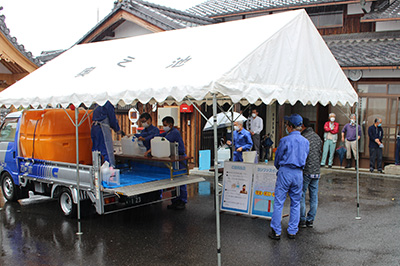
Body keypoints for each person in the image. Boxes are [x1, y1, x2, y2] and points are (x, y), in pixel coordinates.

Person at [269, 114, 309, 240]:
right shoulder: (305, 141)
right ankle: (292, 231)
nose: (286, 127)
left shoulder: (285, 140)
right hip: (298, 173)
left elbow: (278, 158)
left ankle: (276, 231)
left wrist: (279, 167)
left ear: (290, 127)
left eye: (287, 125)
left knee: (279, 202)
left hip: (285, 171)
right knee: (296, 202)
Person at [146, 116, 187, 210]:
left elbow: (163, 141)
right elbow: (160, 136)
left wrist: (150, 150)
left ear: (170, 124)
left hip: (179, 158)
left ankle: (182, 200)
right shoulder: (169, 132)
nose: (164, 127)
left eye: (165, 125)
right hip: (173, 157)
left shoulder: (174, 133)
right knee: (174, 179)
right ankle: (175, 200)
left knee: (180, 179)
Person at [300, 117, 322, 229]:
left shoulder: (303, 137)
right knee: (314, 196)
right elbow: (319, 153)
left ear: (303, 126)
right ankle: (311, 220)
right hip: (316, 171)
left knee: (302, 195)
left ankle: (302, 220)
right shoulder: (317, 137)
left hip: (306, 171)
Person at [91, 101, 123, 167]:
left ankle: (96, 168)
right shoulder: (108, 103)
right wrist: (117, 129)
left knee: (96, 150)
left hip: (94, 128)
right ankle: (110, 168)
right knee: (106, 149)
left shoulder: (98, 102)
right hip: (102, 128)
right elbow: (112, 118)